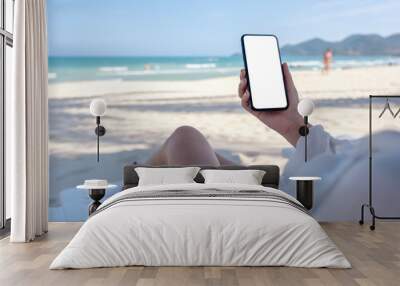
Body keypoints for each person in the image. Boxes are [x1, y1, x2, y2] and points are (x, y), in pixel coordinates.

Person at [146, 63, 400, 221]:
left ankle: (129, 188)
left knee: (185, 137)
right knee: (219, 160)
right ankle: (134, 184)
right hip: (297, 193)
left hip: (270, 222)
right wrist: (292, 123)